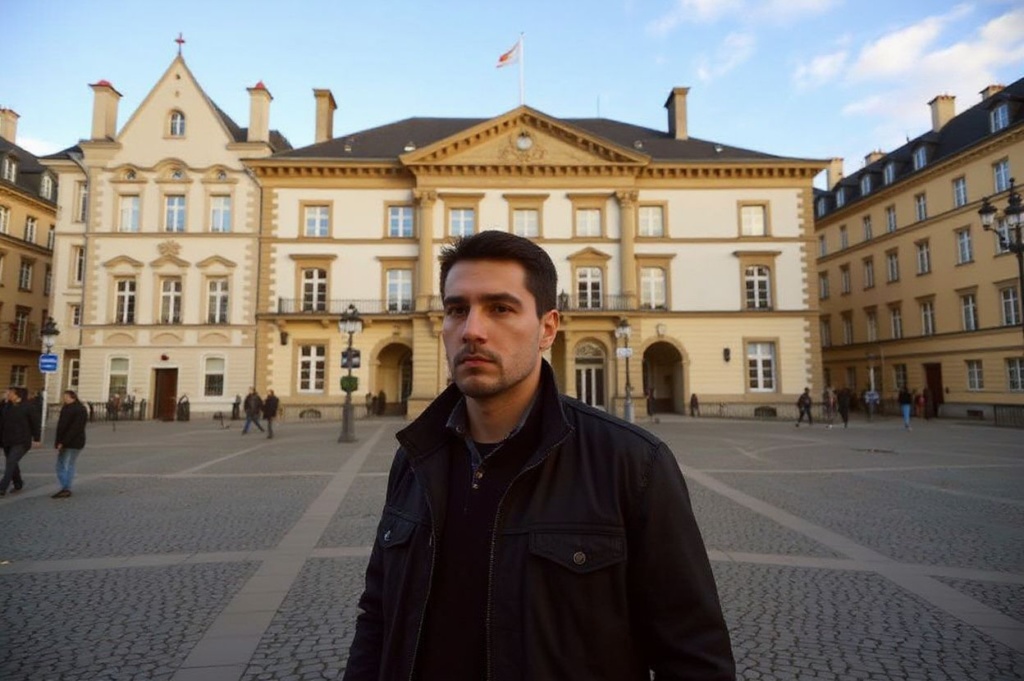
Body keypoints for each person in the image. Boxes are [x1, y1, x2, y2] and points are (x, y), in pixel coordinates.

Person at [343, 231, 734, 681]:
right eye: (456, 309)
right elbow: (378, 615)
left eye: (500, 308)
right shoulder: (415, 455)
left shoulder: (632, 463)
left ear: (548, 328)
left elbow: (693, 653)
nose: (472, 329)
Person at [0, 387, 41, 497]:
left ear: (17, 395)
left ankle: (2, 487)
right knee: (12, 462)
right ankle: (18, 483)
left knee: (11, 462)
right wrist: (3, 402)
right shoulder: (6, 406)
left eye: (10, 393)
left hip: (22, 441)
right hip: (7, 440)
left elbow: (35, 423)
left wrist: (37, 438)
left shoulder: (28, 407)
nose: (8, 394)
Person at [53, 390, 88, 498]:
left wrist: (62, 442)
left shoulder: (77, 409)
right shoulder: (71, 408)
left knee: (63, 464)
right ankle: (66, 486)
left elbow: (74, 428)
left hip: (72, 442)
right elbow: (62, 427)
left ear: (72, 397)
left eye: (65, 397)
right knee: (67, 464)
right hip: (73, 441)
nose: (64, 398)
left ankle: (66, 487)